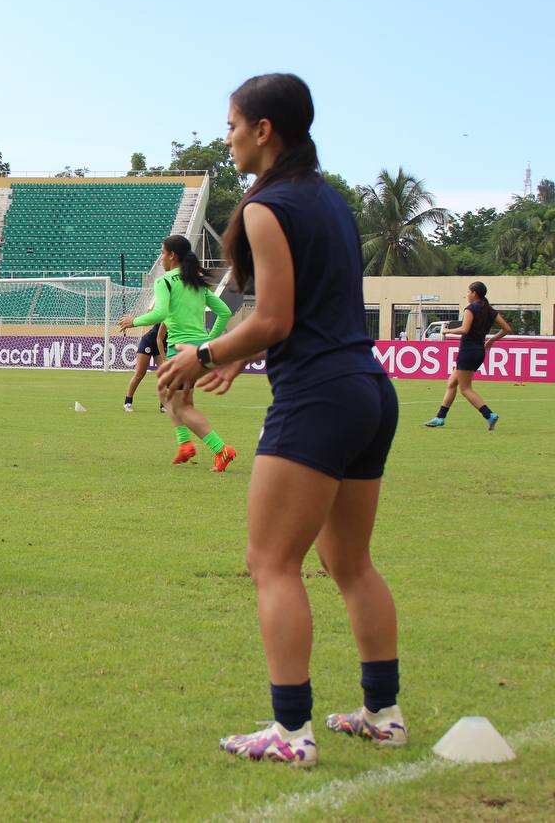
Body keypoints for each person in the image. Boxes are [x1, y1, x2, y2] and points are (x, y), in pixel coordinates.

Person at [158, 74, 404, 767]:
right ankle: (383, 714)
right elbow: (303, 310)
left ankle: (291, 732)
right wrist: (240, 356)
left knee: (270, 562)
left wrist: (204, 353)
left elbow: (275, 317)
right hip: (367, 389)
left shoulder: (267, 206)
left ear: (264, 130)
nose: (227, 138)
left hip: (317, 397)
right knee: (350, 562)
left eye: (232, 125)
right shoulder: (329, 201)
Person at [119, 236, 234, 470]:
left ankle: (221, 449)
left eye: (163, 252)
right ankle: (184, 445)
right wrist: (208, 340)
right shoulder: (196, 282)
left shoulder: (165, 281)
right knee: (174, 396)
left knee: (177, 403)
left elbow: (160, 313)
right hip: (199, 351)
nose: (161, 257)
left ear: (172, 255)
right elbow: (224, 312)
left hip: (181, 351)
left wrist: (134, 321)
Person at [424, 281, 511, 430]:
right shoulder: (489, 310)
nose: (467, 295)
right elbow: (507, 329)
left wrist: (447, 331)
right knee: (452, 383)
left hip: (468, 351)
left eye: (468, 292)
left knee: (466, 389)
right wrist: (491, 340)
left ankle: (489, 415)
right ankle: (440, 417)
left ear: (474, 293)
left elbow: (465, 329)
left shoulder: (470, 309)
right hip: (479, 351)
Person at [123, 322, 167, 413]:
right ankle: (127, 402)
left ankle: (163, 406)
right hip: (149, 342)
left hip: (161, 345)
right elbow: (159, 338)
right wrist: (164, 358)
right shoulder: (167, 318)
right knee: (140, 374)